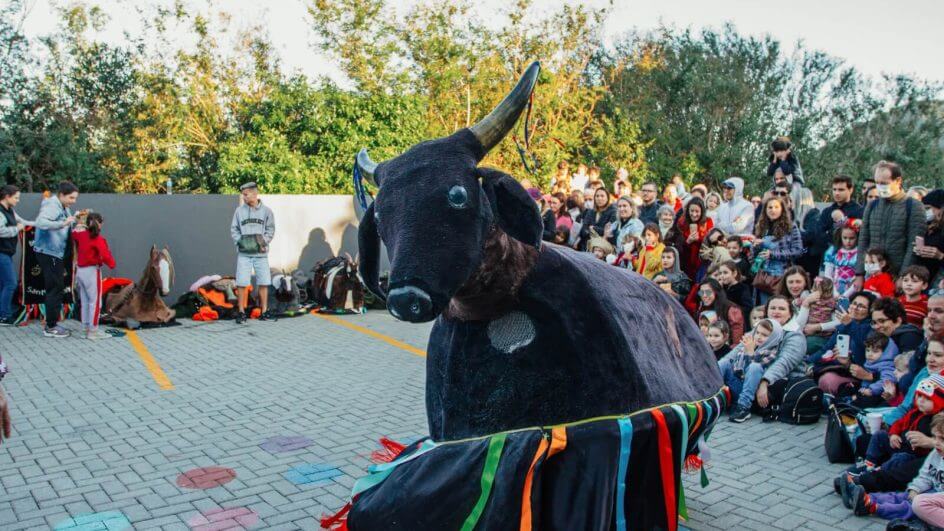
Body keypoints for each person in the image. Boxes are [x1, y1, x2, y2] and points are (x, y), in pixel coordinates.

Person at [842, 374, 944, 499]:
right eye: (919, 396)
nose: (921, 400)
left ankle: (874, 476)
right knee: (871, 438)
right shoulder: (916, 412)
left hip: (917, 454)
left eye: (927, 398)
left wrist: (930, 442)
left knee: (900, 459)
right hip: (901, 443)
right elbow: (899, 423)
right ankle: (868, 465)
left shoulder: (938, 420)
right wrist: (893, 434)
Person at [854, 161, 927, 288]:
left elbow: (914, 246)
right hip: (872, 274)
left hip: (898, 276)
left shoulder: (914, 206)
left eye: (884, 183)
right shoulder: (872, 206)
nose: (880, 186)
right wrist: (859, 274)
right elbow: (863, 241)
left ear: (898, 181)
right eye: (877, 183)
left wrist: (904, 277)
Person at [33, 181, 78, 338]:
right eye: (71, 198)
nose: (73, 201)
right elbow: (41, 222)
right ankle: (51, 327)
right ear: (62, 195)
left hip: (55, 253)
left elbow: (65, 227)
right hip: (49, 252)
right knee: (55, 287)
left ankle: (51, 323)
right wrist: (62, 223)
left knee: (56, 287)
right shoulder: (52, 205)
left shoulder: (63, 207)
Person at [808, 292, 877, 395]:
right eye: (854, 303)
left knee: (828, 380)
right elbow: (827, 348)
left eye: (861, 306)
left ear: (869, 312)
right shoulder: (845, 325)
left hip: (862, 376)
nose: (855, 308)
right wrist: (809, 362)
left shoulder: (870, 327)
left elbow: (862, 344)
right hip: (841, 369)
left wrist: (850, 323)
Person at [718, 318, 783, 422]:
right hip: (738, 384)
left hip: (751, 394)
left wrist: (751, 354)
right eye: (757, 332)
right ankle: (710, 397)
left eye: (765, 335)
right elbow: (737, 368)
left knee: (755, 367)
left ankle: (743, 409)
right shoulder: (750, 345)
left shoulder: (772, 353)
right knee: (724, 363)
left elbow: (752, 372)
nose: (759, 337)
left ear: (773, 338)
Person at [230, 182, 276, 324]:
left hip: (260, 254)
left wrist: (263, 242)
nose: (243, 197)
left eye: (246, 194)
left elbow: (270, 230)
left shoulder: (267, 211)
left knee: (264, 282)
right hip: (244, 254)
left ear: (255, 194)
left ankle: (264, 311)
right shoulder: (239, 211)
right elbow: (234, 229)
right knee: (242, 282)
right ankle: (241, 312)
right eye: (243, 195)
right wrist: (241, 242)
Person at [71, 213, 116, 340]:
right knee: (95, 302)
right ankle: (93, 331)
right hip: (91, 271)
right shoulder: (98, 239)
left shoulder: (80, 235)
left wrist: (78, 223)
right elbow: (106, 255)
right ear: (100, 223)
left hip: (80, 271)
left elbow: (73, 233)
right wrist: (112, 264)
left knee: (85, 301)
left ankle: (85, 329)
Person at [751, 197, 803, 303]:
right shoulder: (761, 227)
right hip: (763, 276)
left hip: (782, 275)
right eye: (769, 207)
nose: (772, 210)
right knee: (764, 307)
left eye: (776, 207)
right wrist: (756, 247)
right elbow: (754, 256)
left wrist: (773, 254)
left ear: (782, 209)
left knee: (780, 305)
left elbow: (798, 250)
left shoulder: (791, 227)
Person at [810, 176, 863, 274]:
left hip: (851, 263)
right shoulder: (827, 211)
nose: (837, 193)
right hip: (828, 260)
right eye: (834, 189)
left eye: (841, 189)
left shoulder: (858, 211)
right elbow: (818, 234)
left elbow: (859, 236)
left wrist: (843, 223)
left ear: (850, 190)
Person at [0, 185, 33, 325]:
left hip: (6, 253)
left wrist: (43, 225)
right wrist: (16, 229)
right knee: (10, 283)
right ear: (7, 197)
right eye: (16, 197)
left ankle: (3, 313)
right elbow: (1, 231)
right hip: (1, 253)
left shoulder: (10, 211)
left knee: (3, 285)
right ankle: (4, 316)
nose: (18, 200)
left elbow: (23, 222)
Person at [666, 197, 713, 280]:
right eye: (692, 211)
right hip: (685, 262)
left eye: (697, 211)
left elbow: (711, 243)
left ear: (702, 211)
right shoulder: (682, 223)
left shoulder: (708, 222)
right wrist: (687, 242)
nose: (694, 214)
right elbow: (677, 247)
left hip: (701, 262)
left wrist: (700, 240)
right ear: (688, 211)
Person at [852, 332, 899, 408]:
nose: (870, 354)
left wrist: (872, 390)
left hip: (879, 394)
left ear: (886, 353)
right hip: (865, 389)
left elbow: (887, 380)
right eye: (867, 350)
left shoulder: (887, 364)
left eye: (875, 351)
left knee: (865, 402)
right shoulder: (872, 362)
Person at [821, 219, 861, 300]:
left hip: (853, 292)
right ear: (840, 236)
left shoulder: (859, 253)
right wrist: (834, 292)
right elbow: (828, 275)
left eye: (852, 238)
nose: (848, 241)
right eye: (845, 238)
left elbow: (859, 278)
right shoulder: (833, 252)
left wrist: (846, 295)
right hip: (834, 291)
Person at [697, 278, 745, 344]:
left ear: (716, 292)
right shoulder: (701, 307)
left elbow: (736, 341)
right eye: (701, 292)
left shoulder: (731, 309)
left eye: (708, 292)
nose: (704, 295)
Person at [914, 189, 944, 285]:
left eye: (928, 208)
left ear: (940, 208)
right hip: (923, 277)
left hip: (938, 280)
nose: (926, 212)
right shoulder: (929, 225)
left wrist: (940, 255)